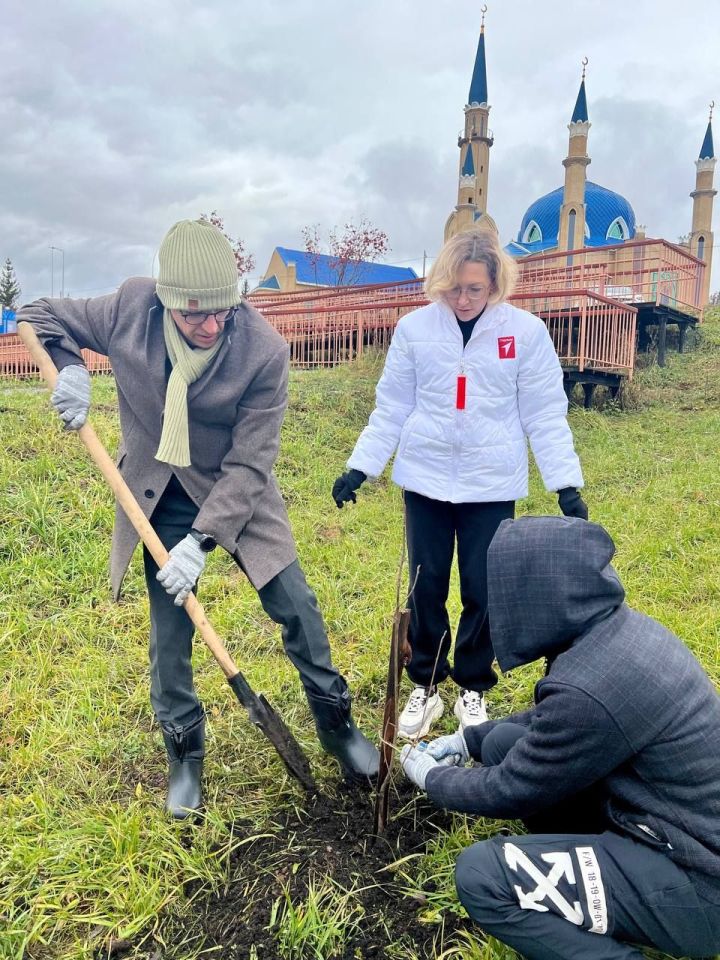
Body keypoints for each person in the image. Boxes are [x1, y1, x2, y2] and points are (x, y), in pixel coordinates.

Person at [18, 218, 379, 818]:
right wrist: (70, 365)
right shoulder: (130, 308)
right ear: (166, 302)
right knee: (171, 635)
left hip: (237, 488)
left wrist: (204, 541)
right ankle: (184, 754)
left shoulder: (262, 348)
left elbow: (252, 459)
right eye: (194, 315)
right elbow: (38, 312)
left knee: (299, 608)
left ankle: (336, 726)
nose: (211, 326)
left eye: (222, 312)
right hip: (158, 491)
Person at [400, 515, 720, 960]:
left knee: (482, 877)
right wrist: (470, 740)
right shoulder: (618, 636)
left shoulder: (589, 686)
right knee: (500, 745)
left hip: (697, 882)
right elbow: (554, 721)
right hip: (662, 821)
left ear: (540, 596)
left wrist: (432, 778)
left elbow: (509, 789)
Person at [332, 227, 586, 740]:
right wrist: (361, 467)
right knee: (427, 585)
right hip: (425, 479)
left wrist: (566, 486)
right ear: (439, 284)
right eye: (455, 289)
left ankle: (473, 685)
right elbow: (393, 407)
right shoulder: (414, 330)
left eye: (476, 289)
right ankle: (424, 683)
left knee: (483, 588)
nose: (465, 300)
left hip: (491, 485)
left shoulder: (526, 333)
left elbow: (544, 415)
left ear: (495, 284)